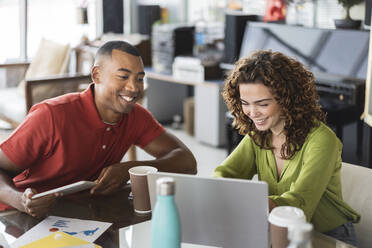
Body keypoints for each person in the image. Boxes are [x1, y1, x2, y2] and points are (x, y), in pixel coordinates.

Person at [0, 40, 197, 218]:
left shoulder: (136, 116)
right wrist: (21, 202)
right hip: (17, 216)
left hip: (83, 214)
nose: (134, 88)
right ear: (97, 75)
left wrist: (129, 169)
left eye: (139, 78)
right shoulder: (51, 115)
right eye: (123, 76)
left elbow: (187, 162)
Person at [213, 50, 360, 246]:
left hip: (329, 236)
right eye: (245, 104)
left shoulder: (322, 140)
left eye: (262, 104)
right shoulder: (258, 136)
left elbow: (299, 204)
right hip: (276, 227)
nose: (252, 113)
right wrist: (216, 189)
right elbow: (225, 173)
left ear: (287, 99)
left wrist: (248, 201)